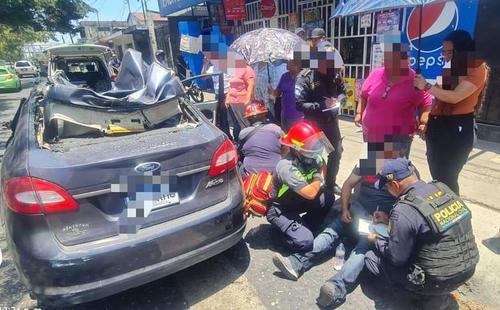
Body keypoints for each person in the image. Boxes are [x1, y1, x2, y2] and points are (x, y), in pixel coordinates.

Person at [318, 158, 479, 308]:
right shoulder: (441, 188)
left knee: (371, 260)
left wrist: (374, 239)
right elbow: (427, 226)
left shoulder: (403, 209)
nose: (387, 191)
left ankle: (402, 303)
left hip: (437, 280)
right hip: (468, 268)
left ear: (394, 185)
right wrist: (388, 221)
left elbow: (396, 258)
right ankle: (436, 297)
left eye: (386, 187)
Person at [272, 142, 402, 308]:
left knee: (362, 246)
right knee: (332, 232)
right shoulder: (372, 160)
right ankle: (297, 264)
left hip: (376, 222)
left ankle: (335, 287)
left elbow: (406, 211)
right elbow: (348, 184)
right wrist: (345, 209)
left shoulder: (401, 172)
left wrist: (387, 220)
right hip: (357, 212)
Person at [414, 30, 488, 195]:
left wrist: (426, 86)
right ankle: (442, 208)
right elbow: (439, 98)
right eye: (443, 52)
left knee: (447, 177)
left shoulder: (477, 68)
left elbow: (454, 97)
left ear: (462, 50)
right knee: (437, 175)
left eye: (450, 52)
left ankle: (452, 214)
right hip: (437, 126)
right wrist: (426, 122)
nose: (446, 56)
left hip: (457, 129)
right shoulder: (450, 69)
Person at [357, 31, 432, 158]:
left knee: (393, 173)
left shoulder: (415, 80)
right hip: (370, 134)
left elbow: (426, 104)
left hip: (397, 139)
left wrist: (424, 122)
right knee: (370, 171)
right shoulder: (376, 74)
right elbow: (364, 95)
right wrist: (359, 113)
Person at [267, 121, 335, 253]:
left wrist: (319, 173)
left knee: (327, 196)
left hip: (296, 199)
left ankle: (306, 225)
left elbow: (323, 164)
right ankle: (277, 235)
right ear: (296, 148)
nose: (315, 149)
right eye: (311, 145)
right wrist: (317, 175)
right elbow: (311, 192)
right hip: (280, 209)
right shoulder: (286, 166)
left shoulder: (310, 157)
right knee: (305, 243)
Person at [295, 36, 345, 194]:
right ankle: (309, 186)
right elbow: (299, 104)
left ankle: (330, 183)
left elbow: (343, 92)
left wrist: (340, 99)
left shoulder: (335, 75)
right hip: (313, 126)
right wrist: (322, 105)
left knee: (335, 153)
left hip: (330, 124)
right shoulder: (306, 77)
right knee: (311, 157)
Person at [238, 101, 283, 179]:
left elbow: (242, 152)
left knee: (240, 168)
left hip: (252, 172)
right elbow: (286, 147)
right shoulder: (276, 128)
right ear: (264, 115)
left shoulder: (243, 133)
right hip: (275, 170)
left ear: (248, 119)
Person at [225, 53, 256, 141]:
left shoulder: (247, 69)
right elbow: (232, 86)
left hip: (241, 101)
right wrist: (227, 98)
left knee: (245, 124)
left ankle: (248, 142)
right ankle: (240, 142)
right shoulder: (236, 71)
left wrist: (247, 99)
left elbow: (251, 84)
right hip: (233, 102)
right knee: (236, 124)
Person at [268, 59, 304, 132]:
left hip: (299, 116)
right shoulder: (285, 76)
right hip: (285, 114)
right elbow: (278, 93)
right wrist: (272, 92)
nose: (287, 64)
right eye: (288, 62)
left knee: (299, 138)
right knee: (287, 137)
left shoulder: (304, 77)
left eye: (290, 63)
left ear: (297, 65)